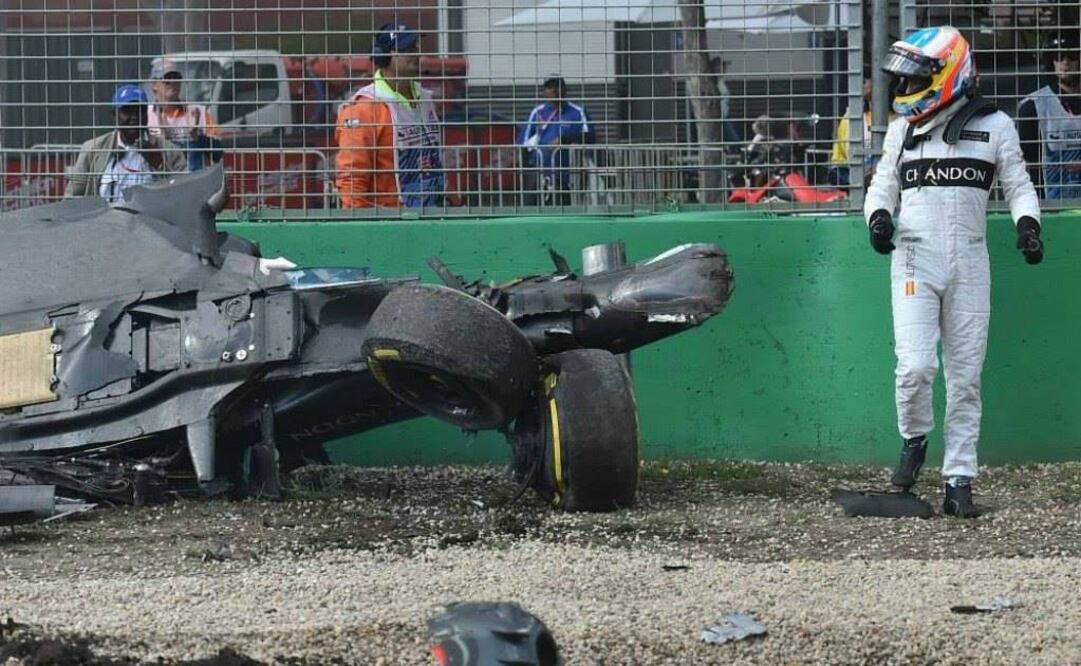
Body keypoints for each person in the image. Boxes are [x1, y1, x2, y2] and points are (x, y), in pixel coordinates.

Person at [864, 26, 1043, 518]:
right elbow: (882, 187)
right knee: (915, 367)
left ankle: (959, 479)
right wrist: (878, 218)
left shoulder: (997, 126)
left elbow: (1020, 186)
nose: (904, 89)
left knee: (965, 378)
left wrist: (1028, 226)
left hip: (970, 261)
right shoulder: (903, 131)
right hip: (915, 258)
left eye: (914, 78)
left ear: (949, 73)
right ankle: (914, 440)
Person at [335, 23, 447, 209]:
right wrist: (358, 230)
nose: (416, 54)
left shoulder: (424, 98)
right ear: (383, 57)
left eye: (415, 47)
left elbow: (434, 158)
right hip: (391, 222)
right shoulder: (363, 108)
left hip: (431, 214)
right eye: (406, 49)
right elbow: (352, 179)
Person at [64, 84, 185, 202]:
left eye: (139, 111)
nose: (134, 117)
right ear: (114, 116)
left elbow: (184, 195)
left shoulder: (170, 151)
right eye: (127, 111)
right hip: (104, 221)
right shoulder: (93, 150)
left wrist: (159, 164)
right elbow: (71, 199)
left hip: (150, 221)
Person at [1018, 31, 1081, 199]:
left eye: (1073, 56)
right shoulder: (1033, 107)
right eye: (1058, 56)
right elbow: (1025, 167)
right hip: (1051, 206)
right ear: (1050, 61)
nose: (1065, 62)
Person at [519, 74, 591, 205]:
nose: (554, 90)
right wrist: (526, 177)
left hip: (565, 178)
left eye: (557, 86)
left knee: (563, 212)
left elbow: (589, 137)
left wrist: (563, 140)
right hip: (538, 176)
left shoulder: (578, 112)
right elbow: (524, 145)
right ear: (544, 92)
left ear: (564, 89)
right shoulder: (537, 113)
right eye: (549, 87)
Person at [147, 59, 221, 172]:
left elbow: (218, 154)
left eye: (176, 77)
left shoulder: (199, 112)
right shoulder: (145, 116)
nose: (172, 82)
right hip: (158, 184)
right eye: (166, 79)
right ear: (154, 85)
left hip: (192, 183)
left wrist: (197, 137)